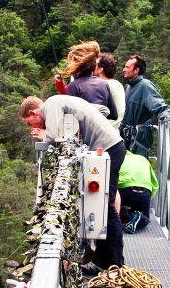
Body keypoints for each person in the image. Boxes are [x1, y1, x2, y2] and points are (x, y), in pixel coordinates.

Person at [19, 95, 125, 273]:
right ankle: (105, 261)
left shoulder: (51, 104)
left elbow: (54, 137)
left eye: (30, 123)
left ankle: (114, 263)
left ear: (33, 112)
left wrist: (43, 135)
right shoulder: (62, 101)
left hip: (108, 148)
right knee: (102, 207)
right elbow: (102, 110)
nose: (33, 128)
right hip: (111, 147)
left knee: (106, 208)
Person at [119, 54, 170, 158]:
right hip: (127, 136)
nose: (124, 69)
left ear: (136, 70)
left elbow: (159, 106)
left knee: (138, 169)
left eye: (127, 67)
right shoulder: (129, 87)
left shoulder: (145, 86)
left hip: (139, 138)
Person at [55, 41, 118, 121]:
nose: (69, 65)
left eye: (71, 63)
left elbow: (69, 122)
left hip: (84, 133)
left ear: (77, 66)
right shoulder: (103, 84)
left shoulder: (74, 86)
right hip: (99, 132)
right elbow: (114, 115)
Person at [118, 151, 159, 233]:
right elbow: (155, 185)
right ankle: (137, 217)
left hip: (126, 190)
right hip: (145, 192)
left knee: (119, 198)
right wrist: (146, 199)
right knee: (145, 218)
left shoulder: (119, 158)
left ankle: (122, 213)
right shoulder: (143, 159)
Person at [93, 53, 125, 129]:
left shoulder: (102, 85)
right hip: (114, 134)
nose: (92, 67)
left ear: (101, 69)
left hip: (103, 134)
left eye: (95, 65)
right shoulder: (117, 84)